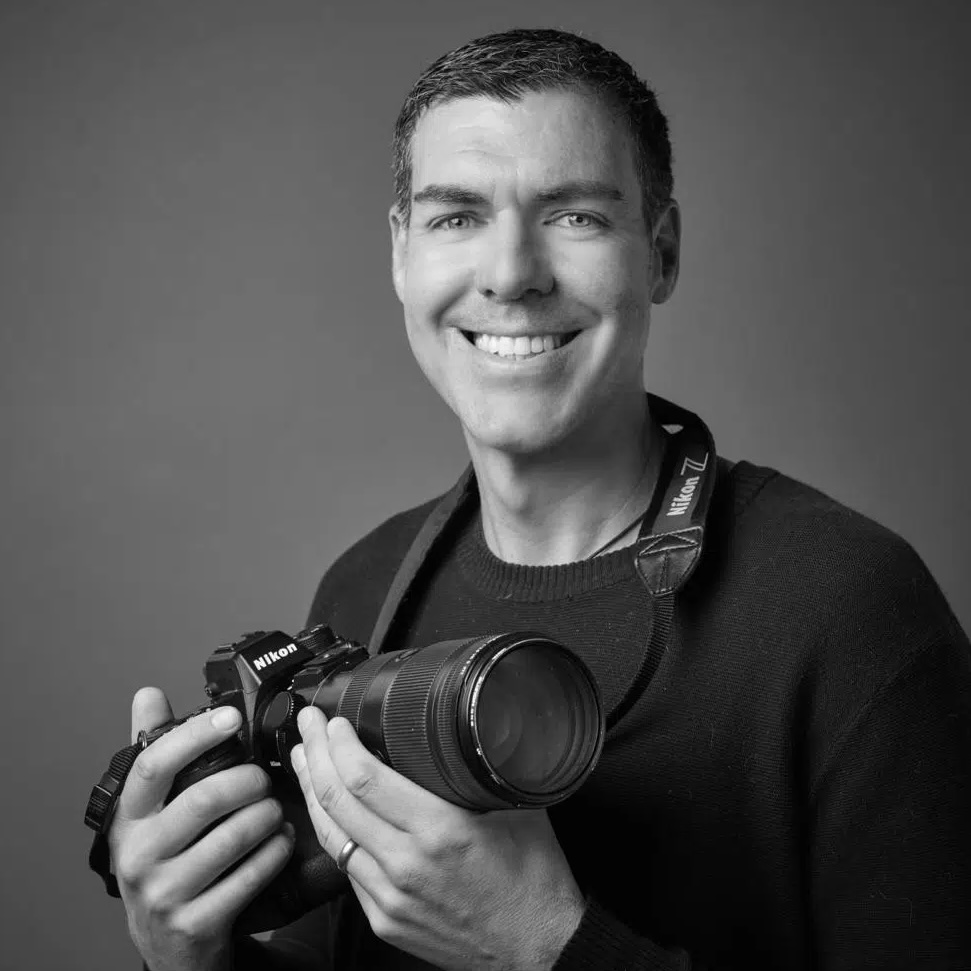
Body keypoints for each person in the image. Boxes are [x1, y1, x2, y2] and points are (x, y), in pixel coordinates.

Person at [106, 27, 971, 971]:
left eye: (575, 216)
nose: (511, 272)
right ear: (401, 254)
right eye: (455, 217)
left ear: (661, 252)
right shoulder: (367, 586)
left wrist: (544, 944)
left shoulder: (847, 606)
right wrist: (190, 955)